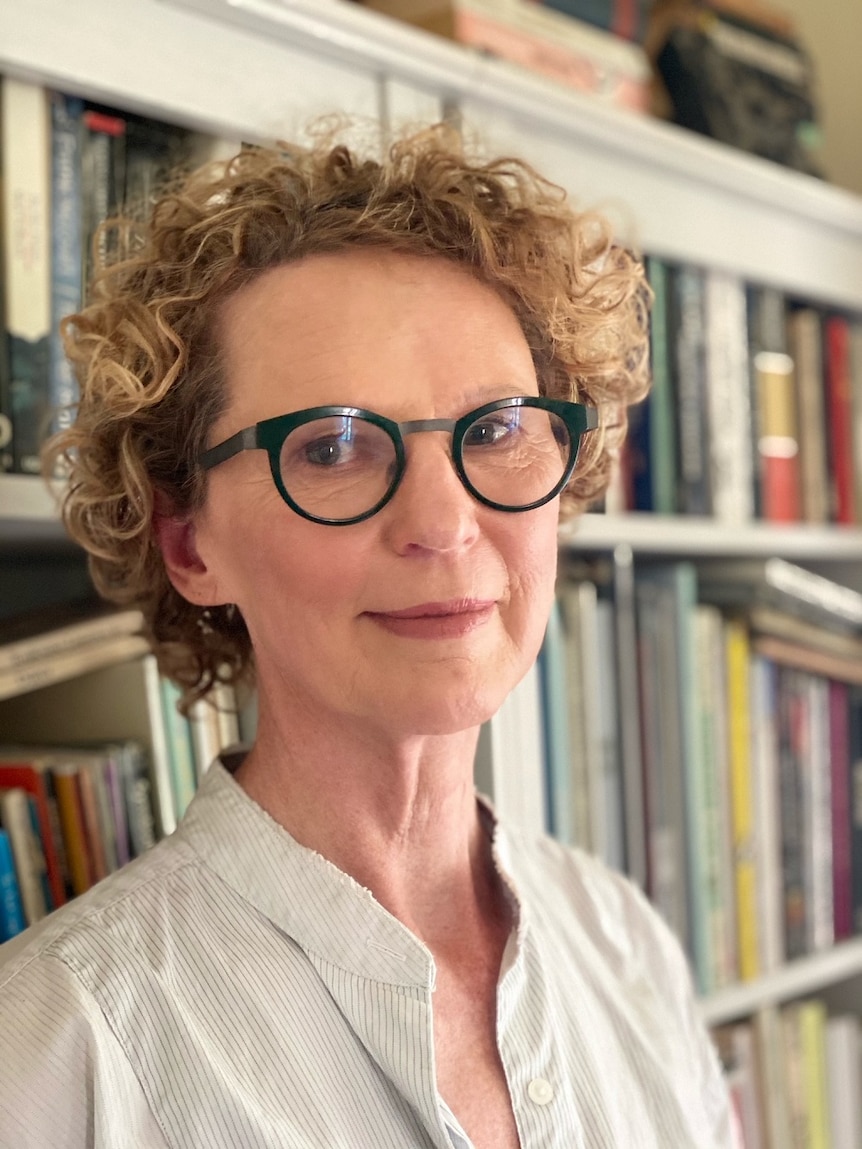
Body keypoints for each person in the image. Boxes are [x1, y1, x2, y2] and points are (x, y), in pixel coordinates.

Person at [0, 123, 736, 1148]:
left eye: (494, 430)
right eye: (333, 446)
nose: (441, 525)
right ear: (187, 541)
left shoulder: (625, 944)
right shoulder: (51, 1056)